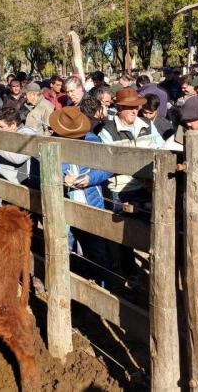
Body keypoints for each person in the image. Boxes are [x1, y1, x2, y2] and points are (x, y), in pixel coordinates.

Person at [98, 88, 163, 285]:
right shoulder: (107, 131)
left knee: (152, 225)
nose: (135, 111)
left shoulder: (147, 125)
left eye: (136, 107)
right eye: (129, 108)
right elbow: (108, 162)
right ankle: (129, 271)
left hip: (147, 186)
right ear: (119, 109)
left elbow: (160, 148)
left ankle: (155, 268)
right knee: (123, 234)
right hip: (122, 187)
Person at [48, 106, 113, 286]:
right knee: (64, 250)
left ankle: (101, 289)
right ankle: (68, 290)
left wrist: (90, 178)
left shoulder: (93, 141)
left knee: (97, 251)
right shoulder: (50, 144)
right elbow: (42, 172)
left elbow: (107, 167)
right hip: (62, 207)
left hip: (91, 203)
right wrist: (60, 178)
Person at [0, 107, 37, 185]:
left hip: (21, 184)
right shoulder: (3, 135)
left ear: (13, 125)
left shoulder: (28, 135)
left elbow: (19, 158)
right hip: (2, 181)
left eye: (1, 127)